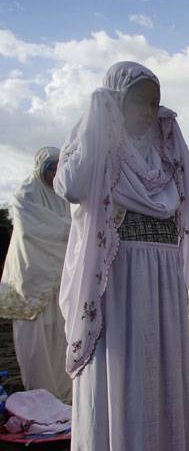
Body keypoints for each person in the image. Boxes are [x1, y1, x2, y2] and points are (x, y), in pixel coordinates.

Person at [54, 62, 189, 450]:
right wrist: (96, 123)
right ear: (116, 101)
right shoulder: (100, 146)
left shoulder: (166, 151)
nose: (149, 112)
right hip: (118, 278)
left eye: (155, 103)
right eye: (139, 101)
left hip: (163, 275)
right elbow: (70, 187)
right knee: (122, 366)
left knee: (160, 366)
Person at [0, 147, 71, 402]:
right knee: (36, 343)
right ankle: (41, 397)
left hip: (59, 279)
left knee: (63, 337)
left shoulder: (66, 198)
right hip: (31, 279)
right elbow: (35, 231)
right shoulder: (25, 196)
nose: (54, 174)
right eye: (50, 168)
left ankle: (67, 397)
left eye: (58, 168)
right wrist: (70, 229)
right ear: (40, 170)